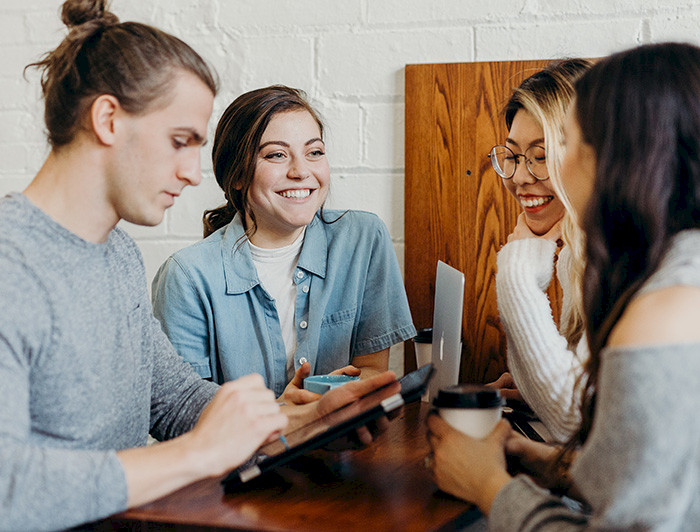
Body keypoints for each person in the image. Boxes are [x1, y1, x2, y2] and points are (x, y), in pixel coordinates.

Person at [0, 2, 396, 530]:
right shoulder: (11, 267)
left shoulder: (115, 254)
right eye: (179, 141)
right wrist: (198, 455)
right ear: (108, 119)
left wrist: (298, 422)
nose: (192, 173)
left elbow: (176, 399)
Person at [427, 42, 700, 529]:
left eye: (563, 145)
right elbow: (649, 479)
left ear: (622, 157)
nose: (530, 175)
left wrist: (490, 486)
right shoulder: (669, 269)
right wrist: (550, 465)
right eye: (515, 156)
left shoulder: (666, 308)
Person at [151, 85, 416, 404]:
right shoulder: (186, 276)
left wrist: (327, 403)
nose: (301, 171)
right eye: (276, 155)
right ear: (236, 175)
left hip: (340, 447)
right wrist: (286, 415)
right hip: (244, 454)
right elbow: (185, 411)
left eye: (314, 152)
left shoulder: (363, 238)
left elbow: (371, 369)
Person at [487, 59, 592, 442]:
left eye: (541, 155)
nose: (519, 176)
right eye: (513, 155)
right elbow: (581, 406)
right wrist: (534, 390)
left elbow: (573, 421)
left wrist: (517, 272)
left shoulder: (622, 259)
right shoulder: (576, 254)